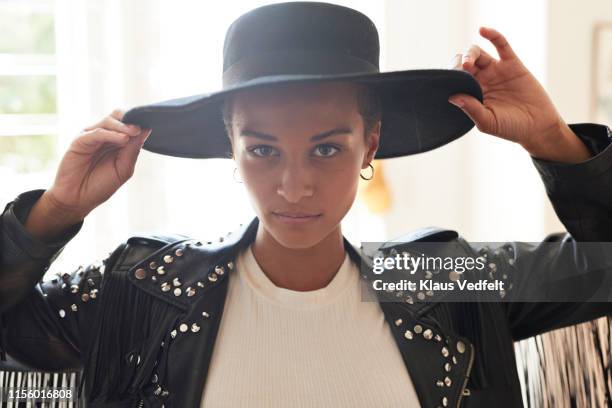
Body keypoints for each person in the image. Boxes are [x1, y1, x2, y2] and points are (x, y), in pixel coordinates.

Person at [1, 2, 611, 407]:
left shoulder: (439, 278)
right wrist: (54, 211)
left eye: (325, 149)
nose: (294, 186)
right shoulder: (148, 289)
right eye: (263, 150)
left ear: (370, 142)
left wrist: (554, 140)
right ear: (230, 148)